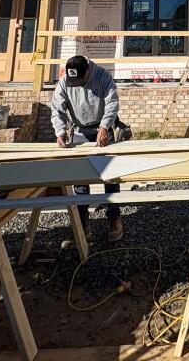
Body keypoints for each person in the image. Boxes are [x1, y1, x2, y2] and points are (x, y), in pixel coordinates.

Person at [50, 55, 124, 244]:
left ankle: (114, 218)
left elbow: (112, 102)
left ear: (88, 71)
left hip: (102, 130)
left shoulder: (102, 76)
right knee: (80, 182)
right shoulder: (65, 81)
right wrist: (60, 131)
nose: (77, 85)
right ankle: (83, 224)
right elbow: (57, 108)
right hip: (80, 132)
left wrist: (104, 126)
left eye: (80, 81)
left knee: (109, 177)